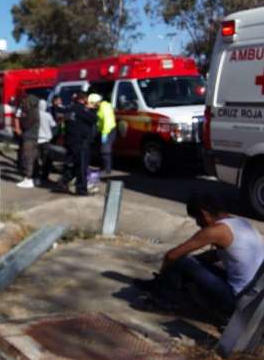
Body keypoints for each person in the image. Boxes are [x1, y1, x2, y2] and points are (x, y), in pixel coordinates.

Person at [135, 193, 264, 317]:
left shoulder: (216, 231)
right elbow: (221, 255)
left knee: (182, 260)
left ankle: (165, 300)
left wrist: (164, 273)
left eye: (197, 219)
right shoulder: (242, 224)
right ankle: (165, 288)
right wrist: (195, 263)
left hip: (236, 301)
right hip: (254, 300)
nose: (198, 224)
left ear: (204, 213)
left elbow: (172, 256)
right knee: (191, 263)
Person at [60, 92, 97, 196]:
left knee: (71, 164)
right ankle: (81, 189)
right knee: (81, 166)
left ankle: (63, 181)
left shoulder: (70, 108)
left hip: (70, 141)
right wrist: (92, 109)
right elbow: (94, 119)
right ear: (84, 100)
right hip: (81, 142)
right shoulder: (82, 109)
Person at [88, 93, 117, 175]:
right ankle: (103, 166)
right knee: (98, 148)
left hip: (109, 130)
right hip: (102, 129)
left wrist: (104, 135)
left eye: (93, 104)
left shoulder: (105, 107)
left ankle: (107, 169)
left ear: (97, 102)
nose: (92, 106)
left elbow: (107, 123)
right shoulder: (99, 107)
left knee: (105, 149)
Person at [16, 95, 40, 189]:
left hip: (29, 137)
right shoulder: (35, 111)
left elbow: (26, 124)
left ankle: (28, 179)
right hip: (33, 137)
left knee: (28, 158)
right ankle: (35, 178)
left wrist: (21, 119)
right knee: (34, 158)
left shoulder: (32, 112)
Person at [37, 99, 56, 185]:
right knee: (46, 160)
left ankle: (36, 175)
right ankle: (44, 176)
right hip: (45, 140)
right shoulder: (48, 115)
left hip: (36, 140)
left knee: (36, 159)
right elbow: (53, 125)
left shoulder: (35, 115)